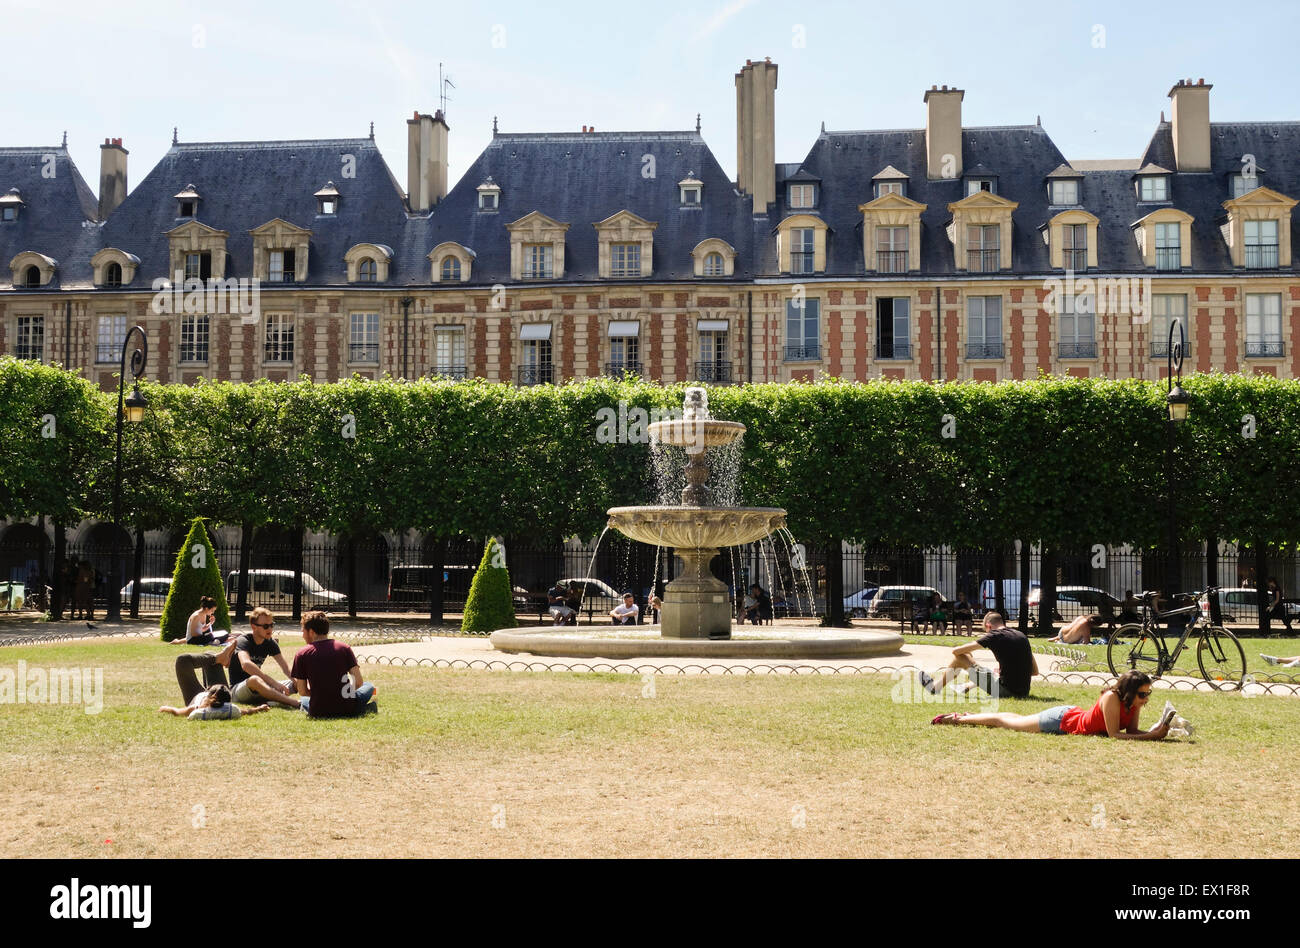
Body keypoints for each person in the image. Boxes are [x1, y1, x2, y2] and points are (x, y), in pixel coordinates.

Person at [931, 670, 1171, 741]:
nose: (1146, 697)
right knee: (1005, 722)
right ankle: (957, 719)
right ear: (1130, 692)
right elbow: (1115, 735)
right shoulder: (1112, 697)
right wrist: (1152, 737)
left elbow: (1131, 732)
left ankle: (970, 716)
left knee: (1014, 717)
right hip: (1061, 721)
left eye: (1148, 692)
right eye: (1142, 693)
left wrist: (1157, 731)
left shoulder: (1133, 702)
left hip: (1068, 715)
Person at [919, 611, 1038, 699]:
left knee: (961, 658)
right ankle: (964, 687)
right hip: (1024, 692)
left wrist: (967, 654)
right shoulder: (1021, 636)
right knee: (990, 671)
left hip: (1006, 691)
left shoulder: (994, 635)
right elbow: (1035, 671)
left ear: (988, 626)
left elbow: (956, 651)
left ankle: (935, 687)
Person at [291, 611, 377, 717]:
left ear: (311, 632)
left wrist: (322, 695)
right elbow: (358, 682)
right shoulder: (344, 648)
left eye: (303, 631)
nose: (303, 636)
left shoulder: (302, 654)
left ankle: (361, 708)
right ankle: (363, 708)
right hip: (346, 706)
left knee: (304, 700)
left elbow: (303, 691)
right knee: (368, 686)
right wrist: (342, 695)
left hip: (318, 709)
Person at [228, 607, 300, 709]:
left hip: (262, 687)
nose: (270, 629)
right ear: (254, 627)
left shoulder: (270, 642)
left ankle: (312, 700)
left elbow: (285, 667)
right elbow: (246, 665)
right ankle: (294, 703)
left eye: (271, 625)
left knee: (299, 680)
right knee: (255, 680)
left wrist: (296, 681)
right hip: (239, 689)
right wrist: (272, 683)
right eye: (266, 626)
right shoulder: (243, 641)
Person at [159, 683, 271, 721]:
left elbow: (177, 712)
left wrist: (163, 708)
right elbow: (246, 711)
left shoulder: (195, 709)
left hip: (200, 695)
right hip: (201, 695)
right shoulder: (230, 709)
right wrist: (259, 708)